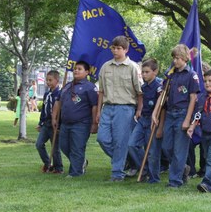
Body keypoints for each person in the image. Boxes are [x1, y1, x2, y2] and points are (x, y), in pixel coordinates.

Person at [152, 44, 200, 188]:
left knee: (180, 149)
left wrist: (187, 119)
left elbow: (193, 99)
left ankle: (175, 181)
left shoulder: (191, 75)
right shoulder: (170, 74)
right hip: (170, 113)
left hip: (183, 113)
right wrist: (155, 113)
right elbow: (163, 94)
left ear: (185, 58)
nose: (175, 61)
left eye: (178, 58)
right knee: (167, 147)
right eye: (173, 58)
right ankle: (183, 168)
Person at [96, 36, 143, 182]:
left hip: (125, 108)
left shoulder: (133, 67)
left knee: (120, 142)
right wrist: (98, 111)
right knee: (102, 139)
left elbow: (140, 92)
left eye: (119, 48)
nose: (115, 51)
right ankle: (127, 160)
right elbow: (101, 91)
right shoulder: (105, 66)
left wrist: (139, 110)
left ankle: (117, 174)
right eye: (113, 48)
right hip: (108, 107)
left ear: (126, 50)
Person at [52, 61, 98, 178]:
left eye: (79, 69)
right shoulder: (67, 86)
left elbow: (94, 105)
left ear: (87, 72)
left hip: (81, 123)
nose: (76, 71)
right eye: (75, 69)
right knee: (63, 146)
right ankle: (81, 162)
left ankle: (75, 173)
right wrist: (54, 117)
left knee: (77, 148)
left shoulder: (90, 87)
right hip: (65, 123)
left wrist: (94, 123)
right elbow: (58, 102)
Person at [128, 58, 163, 183]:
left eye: (147, 72)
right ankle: (144, 168)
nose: (144, 75)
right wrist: (139, 110)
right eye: (143, 72)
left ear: (155, 72)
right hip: (143, 119)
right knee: (132, 145)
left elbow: (162, 106)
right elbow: (141, 100)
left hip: (153, 121)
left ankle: (154, 178)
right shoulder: (144, 87)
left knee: (152, 151)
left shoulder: (160, 87)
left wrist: (159, 123)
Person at [35, 70, 63, 174]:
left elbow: (61, 110)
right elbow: (44, 109)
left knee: (55, 147)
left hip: (55, 124)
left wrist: (59, 123)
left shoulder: (60, 94)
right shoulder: (47, 94)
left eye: (50, 80)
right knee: (39, 144)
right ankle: (48, 164)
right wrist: (40, 123)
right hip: (46, 124)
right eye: (47, 80)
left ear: (57, 80)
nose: (48, 82)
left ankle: (58, 167)